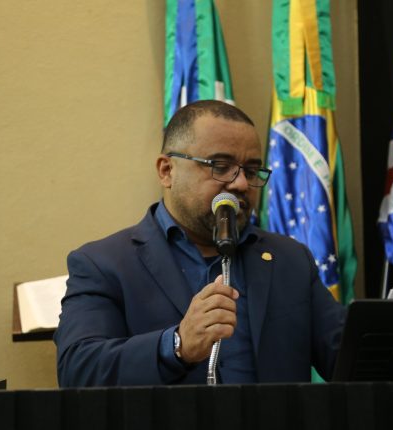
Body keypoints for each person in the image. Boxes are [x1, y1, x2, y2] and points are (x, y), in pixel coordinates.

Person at [54, 100, 344, 386]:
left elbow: (346, 358)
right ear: (167, 171)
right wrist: (177, 345)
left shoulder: (289, 258)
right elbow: (79, 369)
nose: (241, 184)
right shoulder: (104, 263)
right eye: (220, 166)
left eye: (251, 171)